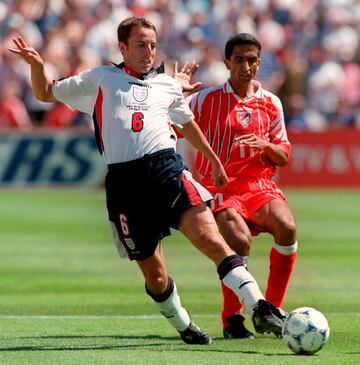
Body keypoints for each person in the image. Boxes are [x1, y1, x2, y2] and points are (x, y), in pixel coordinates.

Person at [9, 18, 285, 344]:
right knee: (155, 276)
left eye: (152, 45)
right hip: (125, 184)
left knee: (212, 240)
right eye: (141, 45)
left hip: (167, 171)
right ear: (122, 48)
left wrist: (211, 159)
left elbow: (187, 123)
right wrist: (38, 66)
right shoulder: (101, 79)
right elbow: (44, 92)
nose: (149, 51)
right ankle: (184, 324)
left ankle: (259, 307)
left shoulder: (167, 85)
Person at [179, 33, 297, 339]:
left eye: (252, 60)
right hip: (219, 187)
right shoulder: (205, 99)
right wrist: (175, 94)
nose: (246, 66)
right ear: (227, 62)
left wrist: (265, 145)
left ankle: (271, 310)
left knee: (287, 227)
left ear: (259, 62)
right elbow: (173, 126)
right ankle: (232, 318)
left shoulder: (271, 102)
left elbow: (283, 154)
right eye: (240, 59)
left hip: (258, 185)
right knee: (239, 241)